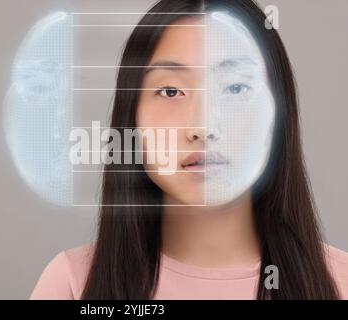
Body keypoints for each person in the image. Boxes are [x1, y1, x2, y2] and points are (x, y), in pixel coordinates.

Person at [30, 0, 348, 299]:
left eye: (236, 88)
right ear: (132, 118)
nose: (202, 127)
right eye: (171, 91)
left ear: (278, 113)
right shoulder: (73, 283)